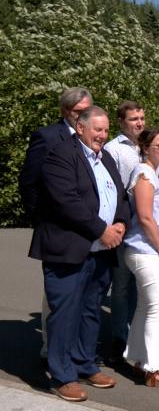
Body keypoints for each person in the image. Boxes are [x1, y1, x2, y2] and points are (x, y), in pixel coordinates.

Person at [28, 106, 129, 402]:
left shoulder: (105, 157)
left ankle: (85, 364)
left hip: (100, 252)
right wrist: (102, 229)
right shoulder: (61, 154)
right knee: (65, 313)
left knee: (89, 311)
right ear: (80, 127)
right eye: (97, 129)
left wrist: (122, 222)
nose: (103, 135)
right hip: (69, 249)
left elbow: (120, 195)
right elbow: (66, 201)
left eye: (106, 130)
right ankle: (62, 375)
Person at [18, 87, 93, 366]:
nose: (81, 117)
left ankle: (76, 348)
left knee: (83, 294)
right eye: (77, 112)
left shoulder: (92, 138)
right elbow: (29, 182)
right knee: (57, 294)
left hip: (88, 230)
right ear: (64, 112)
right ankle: (51, 348)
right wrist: (43, 217)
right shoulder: (48, 137)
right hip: (58, 231)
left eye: (86, 111)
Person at [123, 129, 159, 387]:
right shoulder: (144, 175)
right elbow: (145, 218)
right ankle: (154, 366)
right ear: (145, 148)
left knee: (146, 307)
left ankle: (136, 357)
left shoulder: (154, 175)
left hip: (149, 251)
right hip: (145, 251)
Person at [104, 100, 144, 363]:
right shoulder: (113, 149)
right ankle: (119, 336)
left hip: (145, 225)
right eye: (133, 119)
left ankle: (134, 332)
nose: (139, 123)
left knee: (138, 283)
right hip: (124, 222)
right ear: (121, 122)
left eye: (141, 118)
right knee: (120, 284)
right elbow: (112, 190)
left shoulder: (147, 145)